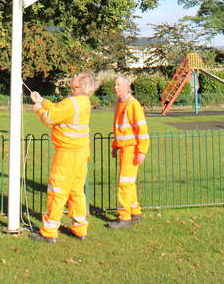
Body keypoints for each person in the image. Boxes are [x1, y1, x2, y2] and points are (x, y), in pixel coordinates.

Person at [29, 72, 95, 243]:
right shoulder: (84, 101)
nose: (72, 79)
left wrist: (38, 109)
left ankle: (49, 231)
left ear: (78, 85)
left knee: (57, 190)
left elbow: (51, 117)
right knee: (76, 191)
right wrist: (42, 100)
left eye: (76, 78)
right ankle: (80, 228)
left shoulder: (72, 102)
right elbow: (59, 109)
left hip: (67, 154)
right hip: (81, 154)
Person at [109, 74, 149, 228]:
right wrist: (115, 146)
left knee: (124, 183)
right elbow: (119, 128)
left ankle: (124, 217)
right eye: (115, 84)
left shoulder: (132, 104)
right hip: (124, 148)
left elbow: (142, 129)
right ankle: (135, 212)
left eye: (118, 85)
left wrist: (141, 151)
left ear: (127, 87)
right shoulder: (120, 103)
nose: (115, 87)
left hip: (131, 149)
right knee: (128, 182)